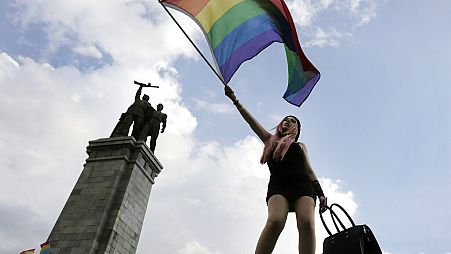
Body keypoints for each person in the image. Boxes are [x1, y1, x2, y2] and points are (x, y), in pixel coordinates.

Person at [224, 85, 327, 254]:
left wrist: (321, 193)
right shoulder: (269, 141)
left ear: (297, 130)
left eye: (293, 121)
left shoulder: (300, 146)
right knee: (275, 221)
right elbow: (252, 122)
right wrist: (235, 100)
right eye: (286, 119)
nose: (288, 121)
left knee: (307, 223)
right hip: (279, 187)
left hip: (303, 188)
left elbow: (309, 171)